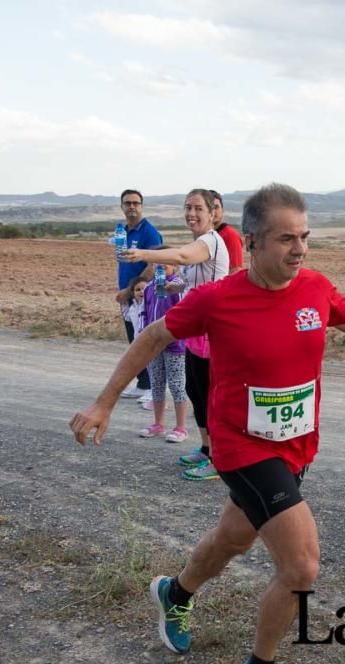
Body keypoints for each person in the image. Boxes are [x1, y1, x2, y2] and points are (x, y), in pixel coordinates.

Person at [71, 183, 345, 664]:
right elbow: (154, 335)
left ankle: (175, 593)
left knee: (232, 538)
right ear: (253, 241)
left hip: (295, 445)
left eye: (304, 236)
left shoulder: (315, 289)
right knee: (301, 567)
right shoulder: (218, 299)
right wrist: (105, 402)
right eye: (286, 239)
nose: (299, 249)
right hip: (241, 447)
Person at [123, 188, 229, 481]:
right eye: (187, 208)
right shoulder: (201, 242)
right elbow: (195, 280)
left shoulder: (211, 241)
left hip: (211, 331)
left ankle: (219, 459)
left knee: (209, 395)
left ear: (212, 213)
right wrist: (177, 288)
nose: (191, 214)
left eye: (198, 208)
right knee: (195, 391)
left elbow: (182, 256)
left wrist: (143, 253)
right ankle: (207, 449)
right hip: (196, 330)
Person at [114, 189, 163, 401]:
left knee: (146, 340)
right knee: (134, 340)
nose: (132, 207)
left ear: (142, 206)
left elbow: (154, 264)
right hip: (129, 295)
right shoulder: (124, 232)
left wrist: (131, 288)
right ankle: (143, 384)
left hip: (143, 295)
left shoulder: (148, 232)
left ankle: (154, 387)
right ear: (122, 207)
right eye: (128, 203)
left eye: (135, 203)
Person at [137, 259, 189, 443]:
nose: (161, 266)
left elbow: (184, 311)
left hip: (175, 344)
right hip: (154, 344)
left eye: (166, 263)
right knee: (157, 384)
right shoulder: (150, 286)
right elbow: (144, 311)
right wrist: (144, 334)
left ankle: (181, 427)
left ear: (175, 266)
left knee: (176, 385)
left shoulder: (177, 286)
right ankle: (158, 424)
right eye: (157, 263)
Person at [210, 189, 245, 274]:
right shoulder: (208, 235)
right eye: (209, 207)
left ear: (222, 210)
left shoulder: (230, 235)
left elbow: (235, 271)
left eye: (216, 207)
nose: (213, 211)